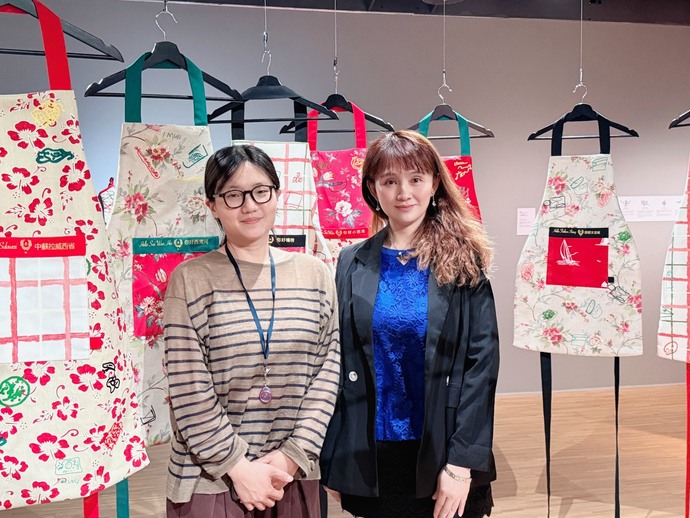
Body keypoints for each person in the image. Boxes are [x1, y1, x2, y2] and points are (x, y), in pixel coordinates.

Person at [320, 130, 499, 518]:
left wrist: (461, 464)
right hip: (372, 453)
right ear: (373, 189)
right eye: (390, 181)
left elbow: (480, 370)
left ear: (434, 184)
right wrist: (335, 454)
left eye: (415, 179)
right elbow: (339, 360)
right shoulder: (351, 261)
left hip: (443, 449)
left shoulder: (463, 260)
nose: (404, 192)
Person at [163, 144, 341, 518]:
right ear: (212, 205)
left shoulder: (315, 275)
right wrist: (238, 467)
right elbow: (188, 388)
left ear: (276, 194)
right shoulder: (191, 280)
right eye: (233, 195)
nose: (249, 206)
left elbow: (327, 374)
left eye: (261, 191)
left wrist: (292, 455)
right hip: (211, 480)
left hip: (292, 475)